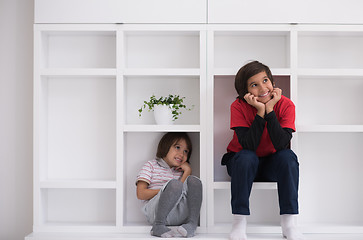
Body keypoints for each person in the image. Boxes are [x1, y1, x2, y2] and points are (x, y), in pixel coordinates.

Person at [222, 61, 304, 240]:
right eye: (254, 85)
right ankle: (239, 223)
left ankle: (289, 224)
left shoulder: (286, 105)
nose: (262, 88)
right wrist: (260, 112)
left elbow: (282, 144)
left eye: (265, 80)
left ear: (273, 83)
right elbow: (248, 145)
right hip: (241, 163)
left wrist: (270, 110)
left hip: (270, 165)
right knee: (246, 157)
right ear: (246, 92)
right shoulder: (238, 106)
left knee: (288, 157)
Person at [136, 132, 202, 238]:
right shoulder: (151, 165)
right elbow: (141, 194)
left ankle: (192, 224)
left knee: (194, 181)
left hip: (178, 215)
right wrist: (165, 190)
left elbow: (181, 192)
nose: (182, 154)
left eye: (186, 151)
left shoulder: (181, 171)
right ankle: (158, 225)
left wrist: (187, 172)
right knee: (175, 185)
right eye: (177, 147)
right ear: (165, 146)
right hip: (156, 213)